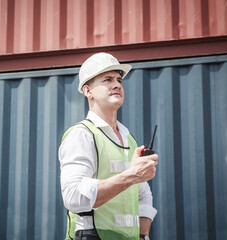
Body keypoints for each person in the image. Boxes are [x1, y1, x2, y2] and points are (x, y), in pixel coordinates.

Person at [59, 52, 159, 240]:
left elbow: (143, 193)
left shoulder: (129, 140)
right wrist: (132, 175)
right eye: (107, 79)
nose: (117, 85)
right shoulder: (82, 135)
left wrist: (142, 234)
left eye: (119, 80)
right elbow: (73, 196)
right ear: (88, 91)